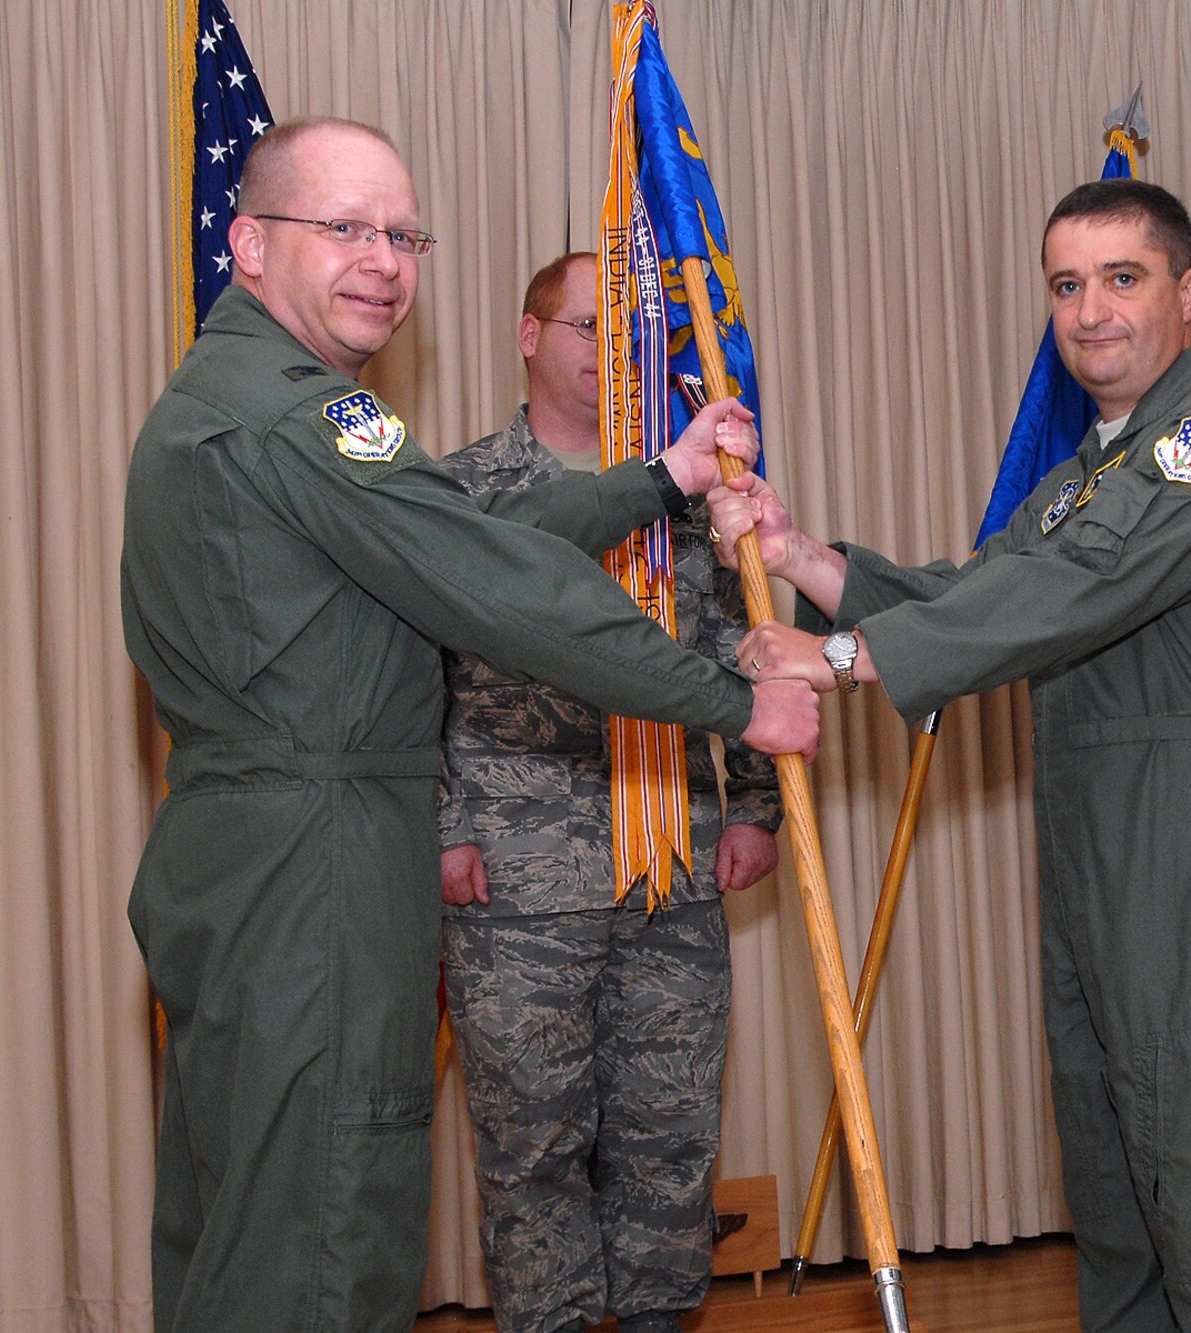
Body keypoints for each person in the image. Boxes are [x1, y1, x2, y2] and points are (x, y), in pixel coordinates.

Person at [121, 118, 817, 1333]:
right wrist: (731, 703)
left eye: (401, 233)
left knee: (249, 1218)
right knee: (325, 1230)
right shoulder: (302, 413)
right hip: (312, 861)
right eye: (342, 227)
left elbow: (472, 543)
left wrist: (663, 479)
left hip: (267, 853)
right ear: (246, 242)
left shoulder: (248, 397)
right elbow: (502, 588)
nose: (383, 259)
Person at [712, 179, 1191, 1332]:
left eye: (1121, 277)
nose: (1090, 310)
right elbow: (982, 591)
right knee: (1120, 1200)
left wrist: (841, 657)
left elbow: (1075, 588)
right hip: (1097, 844)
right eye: (1065, 284)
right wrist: (800, 555)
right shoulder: (1089, 471)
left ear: (1186, 292)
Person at [435, 252, 781, 1333]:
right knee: (532, 1147)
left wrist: (755, 801)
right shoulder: (462, 492)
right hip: (516, 877)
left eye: (629, 330)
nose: (608, 351)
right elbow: (416, 675)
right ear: (529, 335)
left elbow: (743, 644)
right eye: (586, 325)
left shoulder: (687, 496)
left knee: (669, 1142)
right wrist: (441, 829)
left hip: (667, 862)